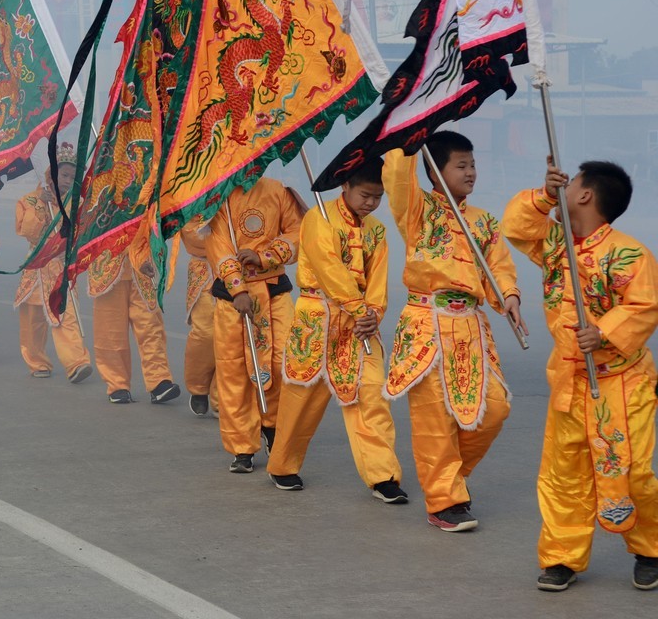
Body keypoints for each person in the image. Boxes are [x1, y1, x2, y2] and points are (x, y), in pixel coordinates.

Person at [502, 159, 658, 591]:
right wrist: (545, 195)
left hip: (621, 384)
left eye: (571, 186)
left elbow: (645, 306)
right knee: (562, 473)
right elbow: (515, 227)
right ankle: (562, 558)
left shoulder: (629, 253)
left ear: (586, 195)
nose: (566, 190)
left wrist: (603, 331)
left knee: (631, 473)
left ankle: (651, 550)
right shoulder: (556, 242)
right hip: (568, 379)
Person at [383, 131, 526, 532]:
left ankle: (448, 477)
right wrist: (409, 135)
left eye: (473, 164)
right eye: (461, 165)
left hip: (471, 327)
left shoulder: (483, 221)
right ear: (434, 170)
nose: (471, 172)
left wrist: (510, 297)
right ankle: (444, 500)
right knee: (435, 421)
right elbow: (397, 176)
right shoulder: (417, 210)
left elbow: (499, 268)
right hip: (427, 324)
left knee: (494, 408)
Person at [266, 158, 406, 503]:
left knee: (371, 395)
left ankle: (383, 476)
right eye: (365, 195)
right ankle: (282, 465)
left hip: (359, 328)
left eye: (377, 197)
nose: (370, 203)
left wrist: (373, 313)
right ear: (345, 186)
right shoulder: (318, 218)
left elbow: (379, 278)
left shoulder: (376, 230)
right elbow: (329, 270)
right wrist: (360, 309)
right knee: (302, 400)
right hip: (317, 319)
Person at [203, 177, 302, 473]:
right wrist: (239, 290)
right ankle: (241, 446)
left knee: (282, 363)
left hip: (274, 294)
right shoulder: (216, 196)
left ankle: (273, 427)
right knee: (234, 371)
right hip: (232, 300)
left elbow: (298, 231)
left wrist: (265, 256)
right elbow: (217, 244)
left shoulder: (277, 191)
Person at [14, 152, 94, 383]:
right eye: (64, 175)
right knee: (32, 321)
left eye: (72, 176)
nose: (67, 180)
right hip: (36, 269)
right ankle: (37, 361)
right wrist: (41, 203)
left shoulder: (76, 202)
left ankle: (77, 363)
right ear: (52, 173)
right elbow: (28, 232)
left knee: (65, 315)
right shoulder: (29, 200)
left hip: (60, 268)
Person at [89, 221, 179, 405]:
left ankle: (159, 381)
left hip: (142, 264)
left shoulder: (147, 191)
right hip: (107, 264)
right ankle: (117, 384)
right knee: (110, 331)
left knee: (150, 326)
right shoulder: (92, 192)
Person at [180, 229, 217, 416]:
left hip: (242, 269)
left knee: (234, 335)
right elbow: (192, 233)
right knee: (205, 333)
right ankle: (199, 386)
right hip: (205, 271)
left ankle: (222, 397)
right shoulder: (193, 200)